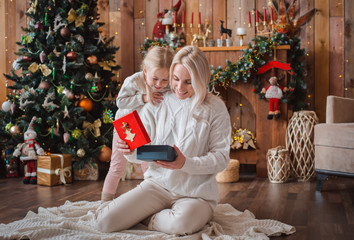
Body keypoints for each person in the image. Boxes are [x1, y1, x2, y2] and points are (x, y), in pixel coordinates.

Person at [96, 46, 231, 235]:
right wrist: (130, 150)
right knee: (104, 222)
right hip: (157, 185)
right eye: (175, 79)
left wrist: (185, 163)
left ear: (201, 79)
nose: (179, 88)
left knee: (181, 224)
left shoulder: (215, 108)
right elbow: (141, 154)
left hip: (195, 194)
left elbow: (221, 158)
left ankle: (148, 218)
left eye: (188, 82)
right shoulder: (159, 100)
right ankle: (156, 215)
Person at [101, 46, 174, 202]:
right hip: (127, 126)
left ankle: (147, 201)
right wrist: (143, 98)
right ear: (145, 70)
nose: (159, 84)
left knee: (149, 166)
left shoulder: (169, 86)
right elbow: (120, 102)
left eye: (164, 79)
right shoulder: (134, 81)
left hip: (149, 130)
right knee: (117, 167)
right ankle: (105, 202)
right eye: (155, 79)